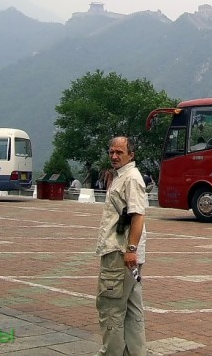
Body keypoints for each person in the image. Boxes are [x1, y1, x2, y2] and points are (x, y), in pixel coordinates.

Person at [95, 136, 147, 356]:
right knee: (132, 310)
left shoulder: (131, 178)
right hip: (126, 255)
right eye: (111, 152)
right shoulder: (122, 176)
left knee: (111, 309)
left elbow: (138, 216)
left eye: (119, 152)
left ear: (131, 155)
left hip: (120, 253)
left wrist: (130, 250)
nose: (114, 156)